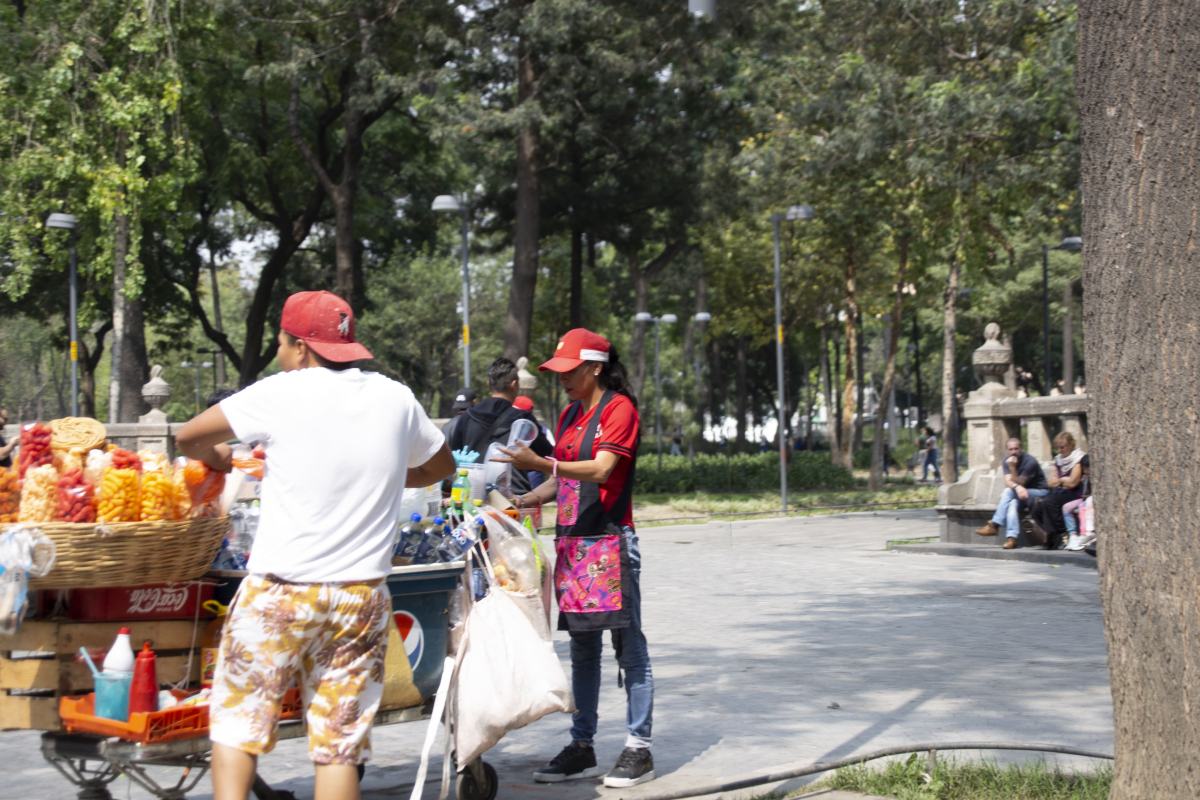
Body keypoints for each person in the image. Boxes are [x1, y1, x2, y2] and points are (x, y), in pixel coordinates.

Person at [176, 291, 455, 800]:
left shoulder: (282, 392)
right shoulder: (395, 397)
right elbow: (442, 467)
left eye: (281, 345)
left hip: (280, 593)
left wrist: (217, 458)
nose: (279, 355)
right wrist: (390, 472)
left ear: (301, 348)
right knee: (339, 745)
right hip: (360, 598)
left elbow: (188, 438)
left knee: (238, 723)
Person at [495, 328, 656, 789]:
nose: (561, 378)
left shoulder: (619, 409)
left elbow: (603, 468)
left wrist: (543, 465)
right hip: (574, 547)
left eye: (569, 371)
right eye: (557, 371)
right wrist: (522, 503)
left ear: (595, 367)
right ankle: (582, 745)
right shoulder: (569, 415)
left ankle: (638, 748)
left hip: (610, 544)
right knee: (583, 650)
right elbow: (562, 483)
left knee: (630, 649)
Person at [446, 358, 553, 494]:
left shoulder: (467, 417)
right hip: (514, 500)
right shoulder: (524, 419)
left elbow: (454, 456)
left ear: (488, 384)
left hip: (473, 497)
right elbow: (545, 457)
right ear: (514, 385)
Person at [974, 437, 1049, 548]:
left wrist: (1012, 468)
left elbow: (1022, 483)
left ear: (1021, 448)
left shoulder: (1030, 461)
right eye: (1011, 449)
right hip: (1020, 495)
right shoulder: (1006, 460)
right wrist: (1017, 487)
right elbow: (1007, 482)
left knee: (1009, 492)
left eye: (1016, 449)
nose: (1013, 452)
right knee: (1012, 503)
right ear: (1007, 450)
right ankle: (1012, 538)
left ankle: (994, 525)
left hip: (1039, 493)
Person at [1030, 433, 1086, 550]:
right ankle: (1053, 534)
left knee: (1049, 502)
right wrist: (1062, 480)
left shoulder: (1077, 459)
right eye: (1057, 447)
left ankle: (1060, 534)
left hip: (1075, 494)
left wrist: (1059, 481)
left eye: (1063, 447)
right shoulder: (1059, 460)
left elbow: (1072, 483)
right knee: (1036, 506)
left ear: (1071, 445)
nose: (1060, 450)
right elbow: (1049, 482)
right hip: (1061, 492)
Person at [1062, 454, 1093, 550]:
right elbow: (1087, 493)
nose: (1084, 471)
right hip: (1086, 498)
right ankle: (1073, 536)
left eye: (1085, 468)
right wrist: (1085, 483)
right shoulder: (1087, 477)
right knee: (1066, 507)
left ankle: (1085, 534)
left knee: (1083, 506)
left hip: (1089, 500)